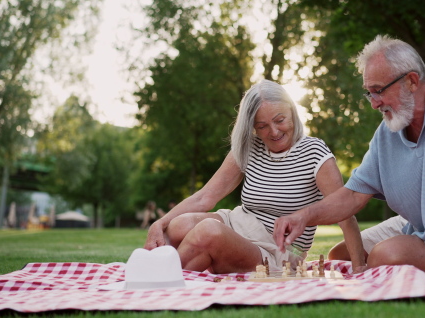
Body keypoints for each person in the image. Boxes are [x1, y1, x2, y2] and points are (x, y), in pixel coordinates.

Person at [273, 35, 425, 275]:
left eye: (378, 91)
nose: (374, 103)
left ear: (411, 81)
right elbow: (352, 196)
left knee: (384, 256)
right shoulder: (388, 131)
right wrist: (303, 217)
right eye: (369, 93)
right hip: (423, 227)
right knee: (342, 253)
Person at [144, 79, 366, 274]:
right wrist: (160, 223)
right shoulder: (248, 148)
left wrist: (359, 269)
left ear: (292, 112)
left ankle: (158, 278)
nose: (274, 132)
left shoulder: (315, 153)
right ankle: (158, 271)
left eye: (280, 120)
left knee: (207, 231)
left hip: (281, 250)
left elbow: (345, 213)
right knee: (178, 225)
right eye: (262, 126)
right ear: (252, 127)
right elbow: (205, 197)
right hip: (239, 224)